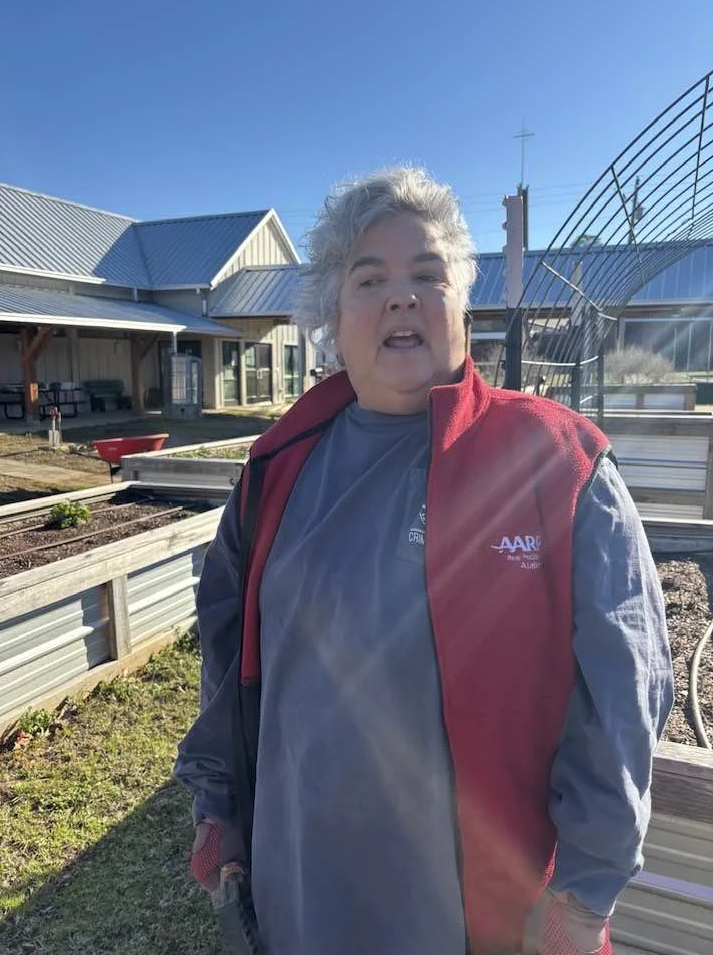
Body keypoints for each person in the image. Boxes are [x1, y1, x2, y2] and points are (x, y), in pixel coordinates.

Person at [174, 167, 674, 955]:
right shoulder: (278, 467)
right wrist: (218, 807)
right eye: (369, 279)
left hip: (483, 916)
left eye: (427, 274)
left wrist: (584, 892)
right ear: (334, 320)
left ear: (461, 305)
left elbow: (627, 684)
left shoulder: (554, 461)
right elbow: (226, 653)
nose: (401, 297)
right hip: (300, 885)